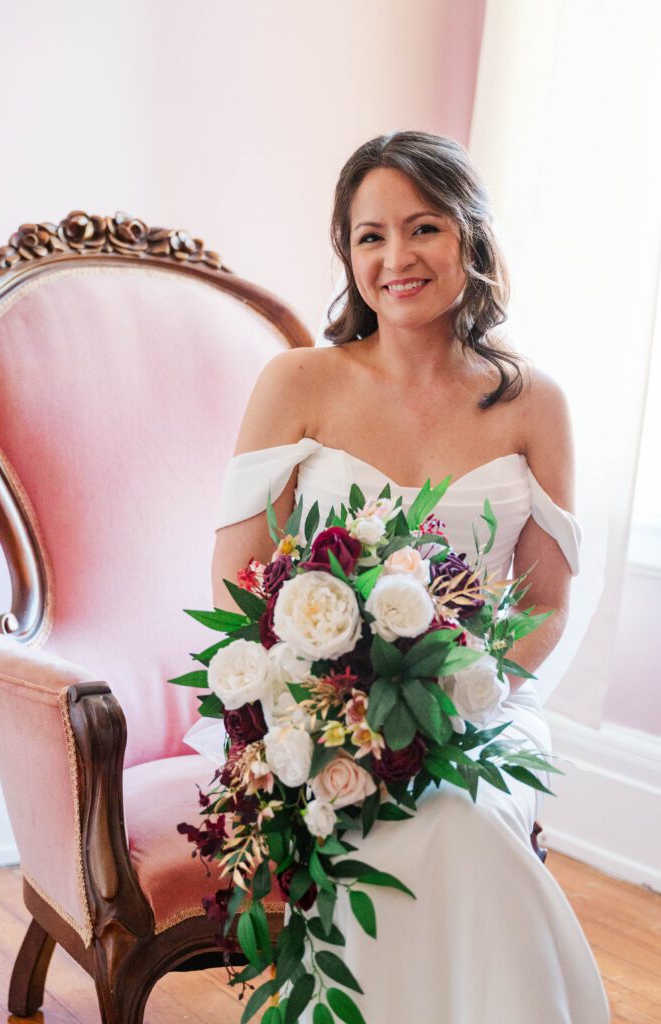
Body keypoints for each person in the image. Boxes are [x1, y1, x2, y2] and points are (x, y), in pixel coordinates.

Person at [203, 131, 611, 1023]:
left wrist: (462, 699)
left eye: (422, 227)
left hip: (482, 711)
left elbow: (542, 607)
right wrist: (328, 709)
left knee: (459, 820)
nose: (396, 258)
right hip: (310, 717)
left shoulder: (534, 402)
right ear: (347, 256)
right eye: (369, 236)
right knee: (403, 831)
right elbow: (236, 587)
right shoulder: (296, 381)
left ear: (469, 236)